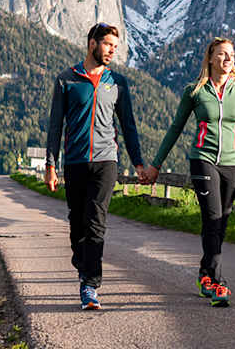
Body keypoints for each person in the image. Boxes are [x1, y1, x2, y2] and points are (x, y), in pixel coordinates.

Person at [141, 36, 235, 307]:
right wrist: (156, 165)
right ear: (210, 58)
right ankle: (217, 283)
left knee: (222, 221)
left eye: (231, 54)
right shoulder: (194, 91)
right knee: (213, 216)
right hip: (203, 159)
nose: (228, 59)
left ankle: (205, 273)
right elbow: (175, 129)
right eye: (222, 54)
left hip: (233, 163)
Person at [45, 22, 146, 310]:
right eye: (108, 45)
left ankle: (90, 284)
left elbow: (128, 126)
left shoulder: (118, 83)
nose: (112, 51)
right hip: (75, 161)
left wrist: (137, 161)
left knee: (95, 221)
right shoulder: (67, 80)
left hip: (106, 161)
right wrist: (51, 165)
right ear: (92, 43)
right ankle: (83, 259)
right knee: (77, 222)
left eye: (115, 47)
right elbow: (55, 126)